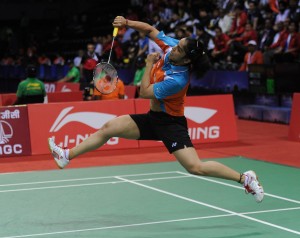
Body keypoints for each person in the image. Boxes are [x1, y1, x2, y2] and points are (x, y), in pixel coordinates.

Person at [48, 16, 264, 203]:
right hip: (153, 118)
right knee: (109, 127)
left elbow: (144, 92)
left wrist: (149, 64)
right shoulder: (172, 48)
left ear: (187, 59)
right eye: (177, 43)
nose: (173, 48)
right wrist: (127, 23)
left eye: (179, 48)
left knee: (195, 167)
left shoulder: (178, 80)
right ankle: (67, 155)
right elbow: (150, 30)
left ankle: (245, 178)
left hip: (171, 124)